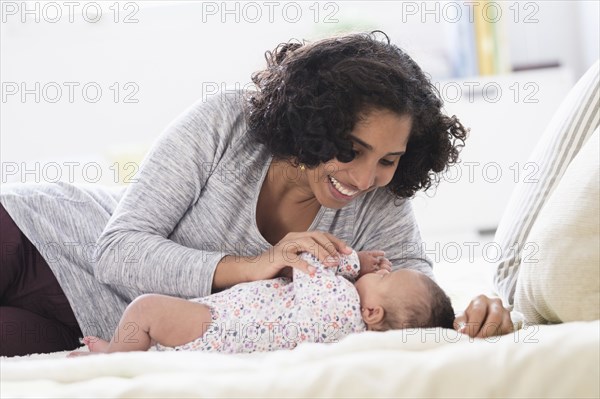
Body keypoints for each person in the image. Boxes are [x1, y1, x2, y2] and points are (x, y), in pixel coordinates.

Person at [0, 31, 514, 357]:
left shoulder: (379, 198)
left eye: (388, 158)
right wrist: (252, 266)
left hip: (93, 324)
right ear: (313, 126)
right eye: (350, 150)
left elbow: (409, 293)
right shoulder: (227, 122)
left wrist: (471, 314)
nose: (363, 178)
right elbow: (116, 251)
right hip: (37, 234)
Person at [68, 249, 455, 355]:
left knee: (145, 309)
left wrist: (355, 262)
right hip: (225, 330)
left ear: (372, 311)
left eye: (385, 278)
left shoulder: (340, 301)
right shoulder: (347, 333)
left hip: (216, 325)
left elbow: (307, 262)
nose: (380, 272)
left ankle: (115, 357)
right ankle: (128, 350)